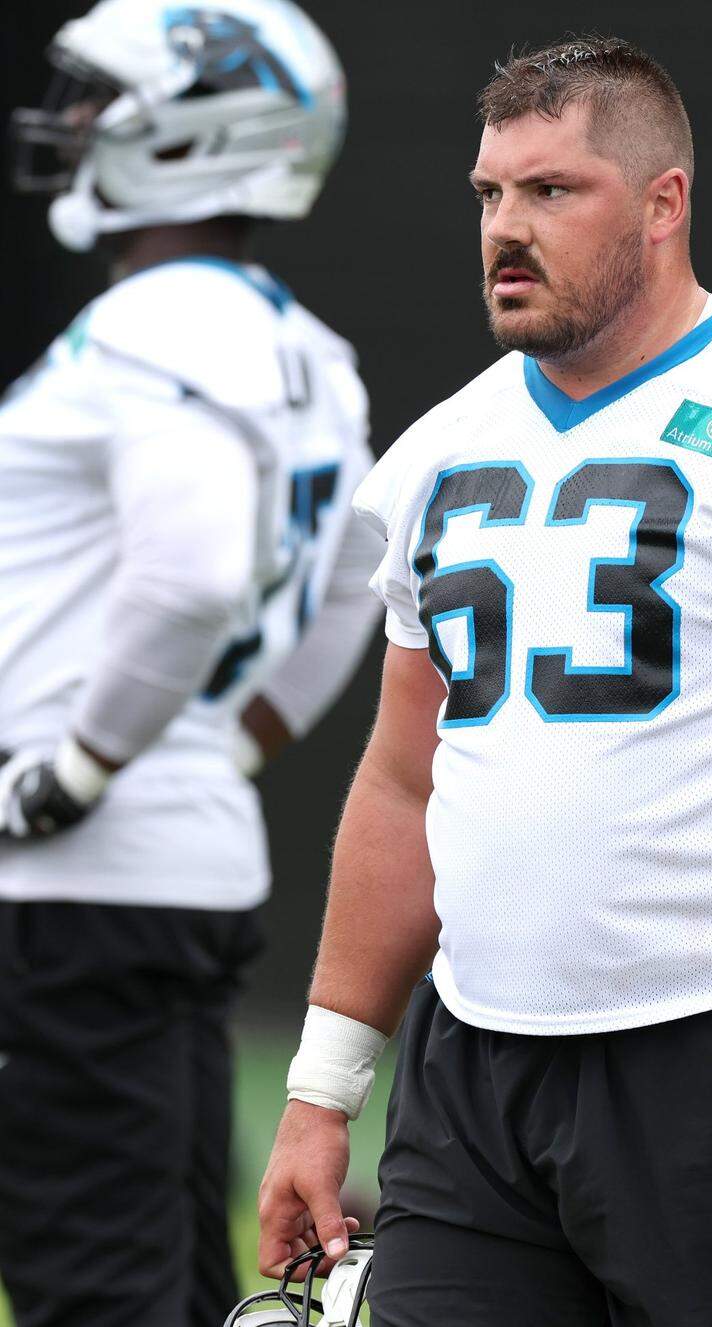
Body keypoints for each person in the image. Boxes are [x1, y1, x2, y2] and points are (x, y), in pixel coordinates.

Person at [256, 37, 712, 1327]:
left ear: (665, 204)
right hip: (475, 1059)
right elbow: (401, 779)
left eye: (554, 191)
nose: (507, 227)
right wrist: (323, 1090)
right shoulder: (445, 445)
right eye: (491, 193)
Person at [0, 3, 380, 1324]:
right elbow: (356, 580)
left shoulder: (160, 327)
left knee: (89, 1278)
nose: (76, 125)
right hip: (175, 853)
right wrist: (233, 735)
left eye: (107, 101)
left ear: (193, 131)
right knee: (157, 1268)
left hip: (75, 873)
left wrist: (83, 764)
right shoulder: (304, 350)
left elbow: (193, 568)